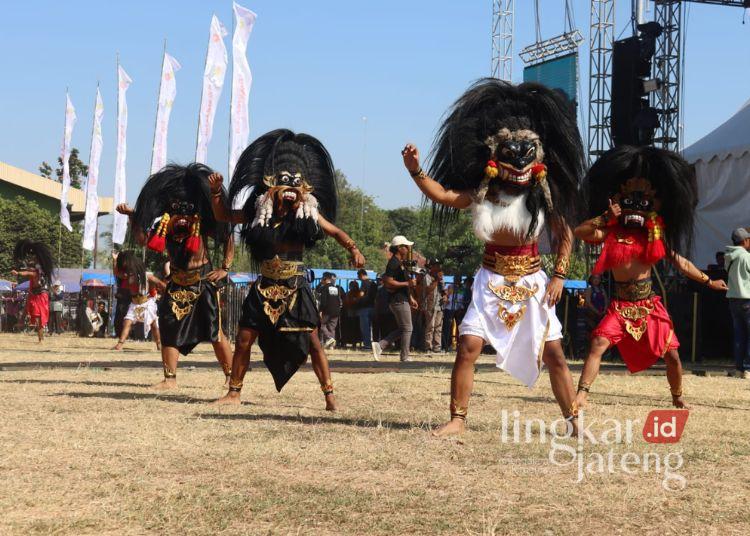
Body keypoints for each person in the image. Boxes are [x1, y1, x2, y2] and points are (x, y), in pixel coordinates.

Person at [402, 79, 585, 436]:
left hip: (534, 284)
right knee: (467, 347)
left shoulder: (544, 195)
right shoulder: (481, 193)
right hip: (491, 282)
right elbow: (441, 194)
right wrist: (415, 170)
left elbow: (566, 235)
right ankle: (457, 420)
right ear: (493, 157)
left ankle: (574, 423)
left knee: (555, 355)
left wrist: (560, 275)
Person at [209, 129, 365, 410]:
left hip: (295, 287)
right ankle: (234, 392)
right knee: (244, 339)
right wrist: (214, 193)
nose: (290, 188)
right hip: (264, 286)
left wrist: (353, 248)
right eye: (284, 182)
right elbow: (224, 216)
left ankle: (330, 397)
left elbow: (335, 231)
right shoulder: (258, 211)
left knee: (314, 342)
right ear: (271, 186)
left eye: (295, 184)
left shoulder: (309, 213)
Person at [574, 145, 728, 409]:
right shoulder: (610, 233)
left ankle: (678, 397)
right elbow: (580, 232)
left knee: (673, 357)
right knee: (598, 343)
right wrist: (604, 217)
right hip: (620, 306)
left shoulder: (654, 236)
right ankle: (581, 395)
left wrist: (708, 281)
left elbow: (681, 262)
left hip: (649, 306)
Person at [116, 163, 235, 389]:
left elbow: (227, 235)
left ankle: (231, 378)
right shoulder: (165, 223)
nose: (181, 210)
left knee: (214, 331)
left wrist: (225, 268)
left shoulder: (201, 221)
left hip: (202, 281)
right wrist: (133, 217)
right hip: (177, 282)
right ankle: (169, 380)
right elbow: (143, 240)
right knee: (169, 328)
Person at [372, 236, 419, 362]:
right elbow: (388, 282)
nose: (408, 248)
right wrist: (407, 284)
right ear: (399, 248)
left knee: (404, 328)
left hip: (401, 299)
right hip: (398, 300)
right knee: (408, 328)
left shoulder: (399, 263)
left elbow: (401, 282)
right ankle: (404, 356)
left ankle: (380, 345)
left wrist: (410, 297)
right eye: (406, 246)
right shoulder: (393, 262)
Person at [112, 251, 164, 351]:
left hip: (147, 303)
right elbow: (116, 273)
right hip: (134, 304)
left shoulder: (147, 276)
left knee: (153, 325)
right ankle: (119, 344)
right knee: (127, 322)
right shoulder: (128, 276)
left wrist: (168, 290)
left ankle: (159, 344)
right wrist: (115, 260)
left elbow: (160, 283)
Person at [11, 240, 55, 343]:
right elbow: (29, 271)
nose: (31, 258)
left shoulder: (37, 271)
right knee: (31, 310)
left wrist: (18, 272)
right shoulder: (36, 267)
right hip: (34, 294)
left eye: (33, 256)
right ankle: (21, 322)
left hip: (41, 296)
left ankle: (40, 339)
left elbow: (28, 273)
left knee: (39, 318)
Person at [724, 227, 750, 379]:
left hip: (733, 299)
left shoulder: (729, 256)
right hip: (747, 298)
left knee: (739, 335)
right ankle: (747, 368)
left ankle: (739, 368)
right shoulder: (746, 257)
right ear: (745, 240)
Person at [421, 258, 445, 353]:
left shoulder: (441, 277)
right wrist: (436, 280)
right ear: (432, 267)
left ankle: (437, 347)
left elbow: (443, 291)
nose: (439, 267)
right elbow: (427, 290)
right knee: (430, 326)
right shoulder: (427, 277)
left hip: (439, 305)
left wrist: (445, 296)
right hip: (430, 305)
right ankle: (428, 347)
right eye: (436, 265)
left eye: (439, 265)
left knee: (438, 327)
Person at [317, 272, 343, 349]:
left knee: (321, 325)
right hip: (336, 311)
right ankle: (331, 346)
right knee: (332, 328)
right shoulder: (336, 288)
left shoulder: (324, 288)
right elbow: (338, 300)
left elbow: (323, 301)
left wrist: (321, 310)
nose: (321, 280)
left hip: (327, 310)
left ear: (325, 278)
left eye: (322, 278)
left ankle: (329, 338)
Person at [355, 269, 377, 350]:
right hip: (373, 307)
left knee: (365, 327)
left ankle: (367, 345)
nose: (358, 278)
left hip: (364, 308)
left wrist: (356, 299)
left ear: (361, 275)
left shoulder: (364, 283)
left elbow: (361, 294)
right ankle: (375, 344)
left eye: (358, 276)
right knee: (373, 328)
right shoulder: (373, 283)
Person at [341, 280, 362, 348]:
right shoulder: (350, 293)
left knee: (354, 328)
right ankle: (353, 342)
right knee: (353, 328)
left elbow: (348, 302)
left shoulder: (355, 293)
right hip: (351, 312)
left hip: (353, 312)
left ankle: (354, 342)